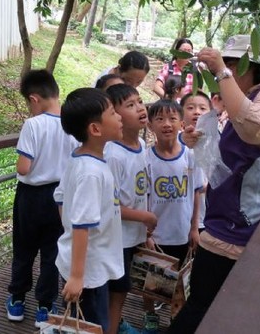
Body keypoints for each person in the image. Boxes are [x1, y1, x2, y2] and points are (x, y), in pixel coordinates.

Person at [168, 35, 260, 334]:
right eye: (222, 66)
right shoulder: (252, 98)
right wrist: (196, 140)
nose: (222, 74)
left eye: (230, 65)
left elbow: (255, 128)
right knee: (202, 305)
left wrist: (221, 74)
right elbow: (230, 160)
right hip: (227, 226)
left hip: (237, 233)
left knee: (201, 307)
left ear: (248, 66)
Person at [6, 69, 78, 328]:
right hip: (61, 197)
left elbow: (23, 168)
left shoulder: (33, 125)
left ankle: (16, 300)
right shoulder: (72, 124)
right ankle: (45, 308)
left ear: (34, 99)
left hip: (31, 198)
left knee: (24, 248)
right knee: (52, 252)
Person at [54, 88, 125, 331]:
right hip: (87, 272)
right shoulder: (91, 173)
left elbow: (61, 197)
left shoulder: (80, 158)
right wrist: (76, 276)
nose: (120, 117)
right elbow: (82, 225)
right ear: (95, 129)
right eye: (114, 113)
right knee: (93, 326)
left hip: (89, 265)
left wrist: (68, 231)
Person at [143, 99, 202, 334]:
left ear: (181, 123)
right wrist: (146, 234)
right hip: (156, 236)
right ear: (150, 125)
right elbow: (143, 198)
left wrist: (195, 227)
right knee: (152, 281)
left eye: (172, 119)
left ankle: (175, 321)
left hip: (182, 232)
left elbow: (197, 193)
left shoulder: (190, 156)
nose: (166, 124)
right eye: (159, 119)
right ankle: (149, 316)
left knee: (180, 283)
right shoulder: (146, 159)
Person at [105, 84, 158, 334]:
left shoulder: (140, 146)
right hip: (116, 240)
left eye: (139, 101)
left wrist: (145, 232)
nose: (140, 108)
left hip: (133, 236)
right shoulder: (113, 154)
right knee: (114, 293)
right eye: (130, 105)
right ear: (114, 116)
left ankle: (115, 325)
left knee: (121, 291)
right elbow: (109, 205)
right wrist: (144, 217)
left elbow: (141, 190)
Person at [180, 91, 212, 233]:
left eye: (203, 108)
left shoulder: (217, 141)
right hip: (183, 216)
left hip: (209, 215)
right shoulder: (175, 143)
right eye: (190, 108)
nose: (197, 112)